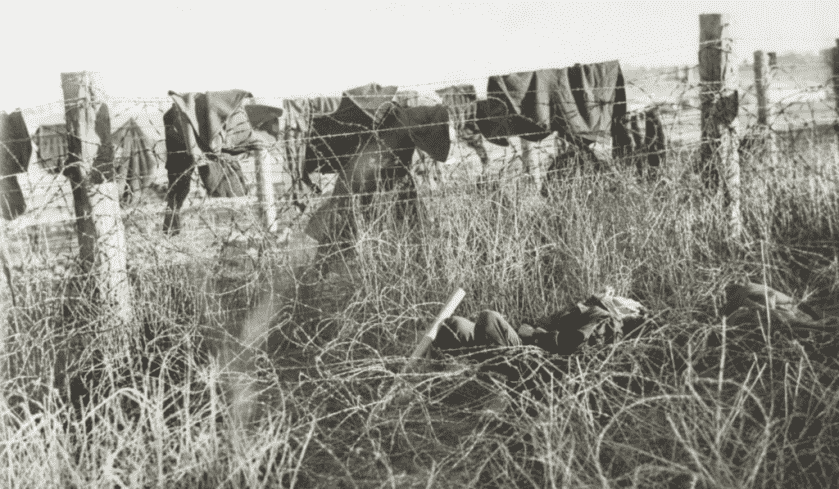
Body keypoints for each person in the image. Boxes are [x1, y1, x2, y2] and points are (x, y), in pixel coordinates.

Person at [432, 287, 650, 357]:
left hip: (532, 358)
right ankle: (448, 381)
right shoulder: (588, 310)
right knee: (456, 325)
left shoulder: (604, 319)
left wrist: (535, 334)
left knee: (488, 318)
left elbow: (572, 342)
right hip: (526, 344)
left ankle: (494, 383)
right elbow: (550, 322)